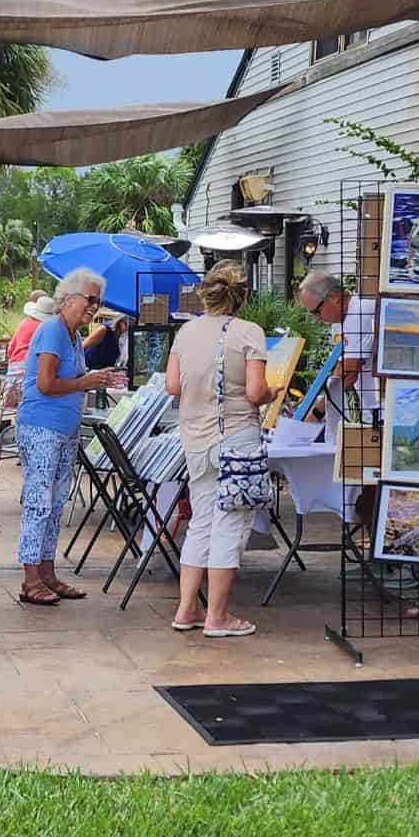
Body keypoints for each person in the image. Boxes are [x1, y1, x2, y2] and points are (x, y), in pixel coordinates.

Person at [166, 261, 270, 638]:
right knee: (230, 524)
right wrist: (271, 392)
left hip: (195, 439)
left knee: (201, 523)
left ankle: (186, 608)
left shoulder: (185, 333)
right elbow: (257, 392)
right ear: (242, 296)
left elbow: (173, 386)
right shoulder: (248, 333)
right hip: (237, 437)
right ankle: (218, 616)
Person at [13, 268, 127, 604]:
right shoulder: (51, 330)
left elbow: (70, 377)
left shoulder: (73, 335)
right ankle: (31, 578)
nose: (95, 306)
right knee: (39, 502)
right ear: (70, 298)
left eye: (98, 300)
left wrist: (92, 377)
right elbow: (46, 384)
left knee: (56, 502)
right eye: (91, 299)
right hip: (42, 427)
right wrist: (85, 382)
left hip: (63, 429)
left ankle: (46, 573)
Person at [297, 270, 374, 399]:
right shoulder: (338, 322)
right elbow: (339, 369)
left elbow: (347, 374)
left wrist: (316, 413)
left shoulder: (359, 312)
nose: (316, 319)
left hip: (387, 407)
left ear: (334, 297)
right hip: (372, 407)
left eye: (317, 311)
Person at [7, 294, 54, 367]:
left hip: (14, 365)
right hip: (31, 365)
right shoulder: (46, 328)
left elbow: (10, 348)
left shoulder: (24, 323)